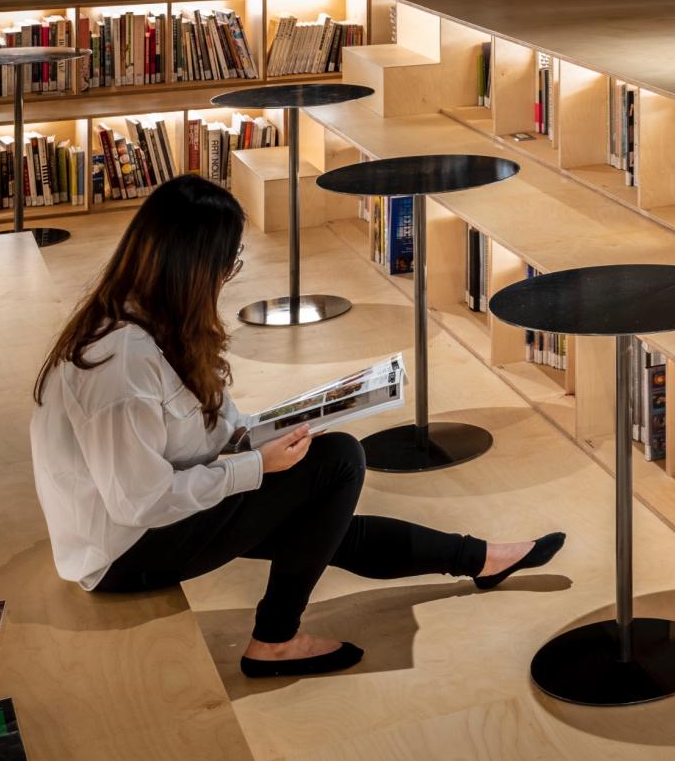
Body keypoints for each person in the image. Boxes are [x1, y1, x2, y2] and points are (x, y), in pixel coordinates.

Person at [30, 175, 565, 679]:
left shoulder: (154, 323)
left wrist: (266, 432)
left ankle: (482, 559)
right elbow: (139, 503)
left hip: (153, 520)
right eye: (228, 263)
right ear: (194, 267)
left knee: (319, 518)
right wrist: (254, 466)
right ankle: (274, 639)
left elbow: (205, 431)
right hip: (127, 551)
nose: (227, 277)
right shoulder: (120, 364)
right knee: (338, 463)